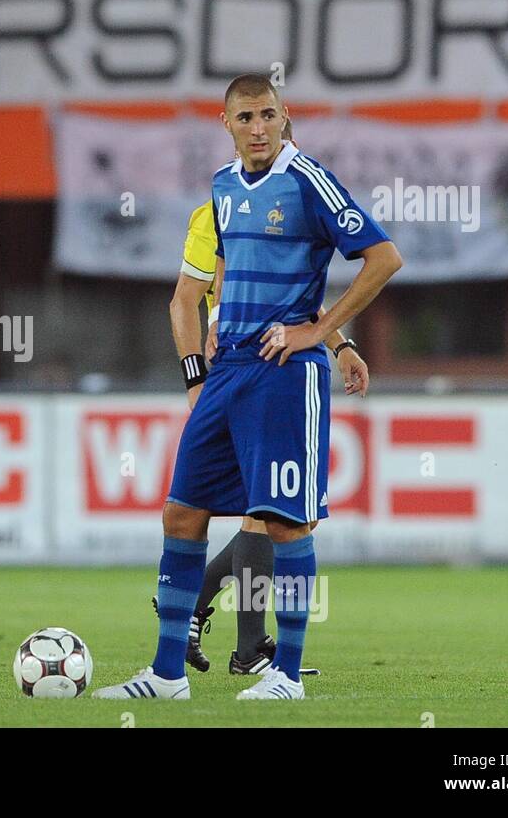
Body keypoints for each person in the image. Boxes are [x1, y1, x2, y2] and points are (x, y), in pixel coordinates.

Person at [95, 73, 401, 700]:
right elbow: (219, 281)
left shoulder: (308, 179)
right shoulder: (223, 189)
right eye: (245, 118)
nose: (258, 128)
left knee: (284, 523)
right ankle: (167, 673)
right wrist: (207, 354)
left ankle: (285, 674)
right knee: (182, 513)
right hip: (228, 371)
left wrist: (321, 332)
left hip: (283, 377)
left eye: (268, 115)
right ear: (226, 124)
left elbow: (383, 257)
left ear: (285, 116)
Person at [160, 174, 368, 674]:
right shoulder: (217, 210)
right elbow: (187, 297)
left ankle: (235, 638)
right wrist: (196, 379)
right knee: (275, 515)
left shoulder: (286, 200)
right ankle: (241, 642)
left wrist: (338, 344)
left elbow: (290, 294)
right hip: (238, 372)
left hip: (269, 371)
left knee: (272, 514)